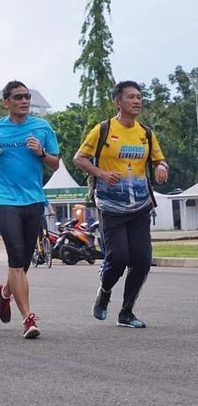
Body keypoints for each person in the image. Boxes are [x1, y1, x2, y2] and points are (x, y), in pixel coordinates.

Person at [73, 80, 168, 328]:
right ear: (118, 102)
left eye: (139, 97)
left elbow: (159, 159)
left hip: (139, 206)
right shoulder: (103, 129)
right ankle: (104, 291)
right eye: (131, 97)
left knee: (142, 259)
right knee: (119, 258)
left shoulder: (145, 133)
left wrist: (161, 167)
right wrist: (101, 174)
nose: (137, 101)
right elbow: (79, 158)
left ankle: (126, 312)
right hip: (110, 205)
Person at [0, 80, 59, 339]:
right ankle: (28, 318)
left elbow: (55, 164)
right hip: (4, 199)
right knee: (16, 255)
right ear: (6, 102)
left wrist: (41, 152)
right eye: (18, 97)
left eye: (26, 97)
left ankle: (5, 293)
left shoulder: (42, 127)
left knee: (23, 262)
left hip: (33, 198)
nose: (24, 101)